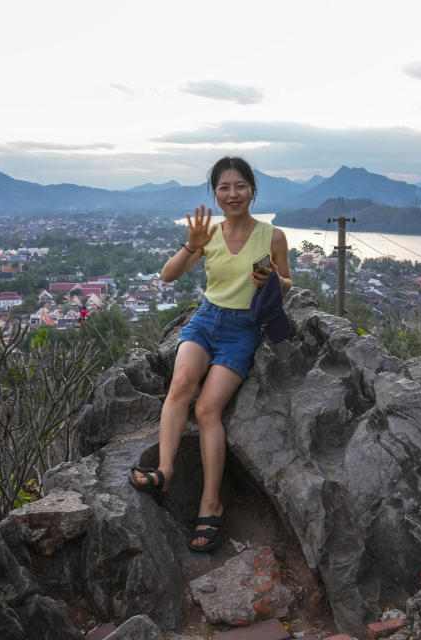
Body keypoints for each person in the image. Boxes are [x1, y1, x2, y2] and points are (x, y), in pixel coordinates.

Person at [129, 156, 292, 552]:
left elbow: (287, 283)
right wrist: (192, 245)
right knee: (181, 384)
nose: (232, 194)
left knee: (206, 410)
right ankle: (165, 471)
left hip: (242, 329)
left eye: (240, 186)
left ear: (253, 190)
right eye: (224, 187)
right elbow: (167, 275)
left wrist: (272, 278)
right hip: (206, 319)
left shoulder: (272, 236)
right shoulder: (209, 235)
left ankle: (212, 502)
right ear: (215, 193)